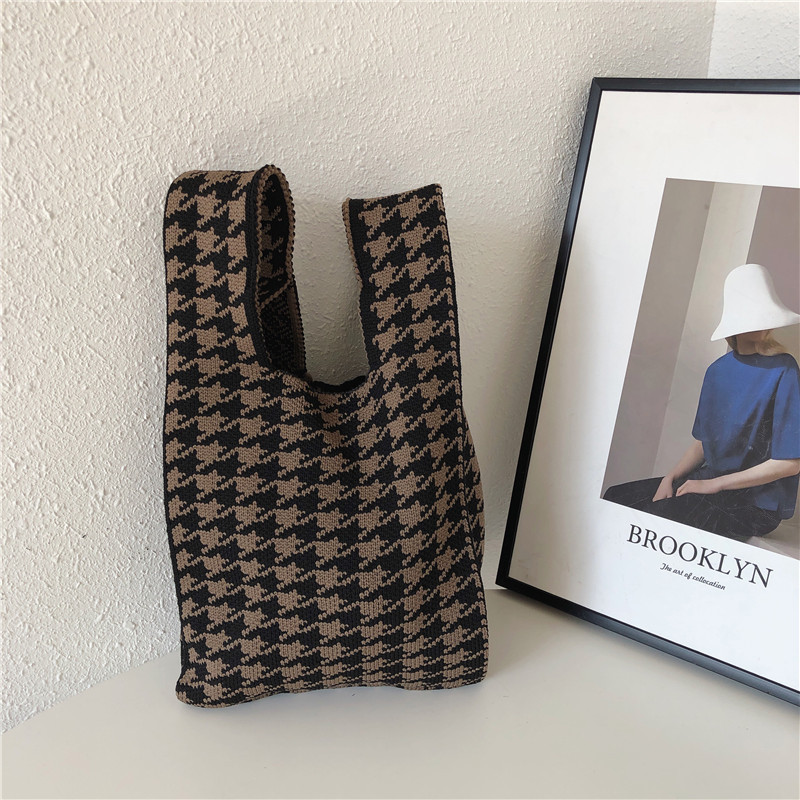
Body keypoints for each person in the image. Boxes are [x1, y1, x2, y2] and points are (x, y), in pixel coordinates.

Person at [604, 263, 800, 542]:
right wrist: (670, 478)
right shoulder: (717, 371)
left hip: (755, 505)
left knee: (657, 516)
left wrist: (715, 485)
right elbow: (704, 443)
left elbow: (790, 462)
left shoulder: (784, 369)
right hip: (710, 484)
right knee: (616, 497)